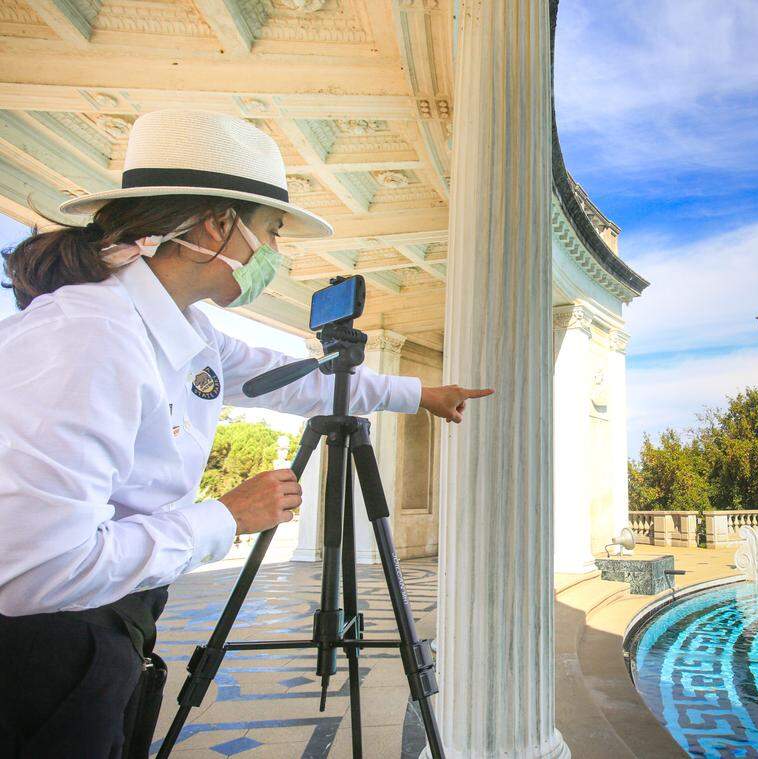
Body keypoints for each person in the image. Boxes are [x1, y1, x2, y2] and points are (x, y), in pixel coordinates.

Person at [0, 109, 491, 757]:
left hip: (110, 631)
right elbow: (33, 570)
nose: (275, 254)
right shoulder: (89, 337)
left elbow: (297, 379)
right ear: (217, 224)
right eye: (271, 231)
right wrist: (226, 517)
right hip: (48, 652)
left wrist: (419, 393)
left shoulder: (185, 330)